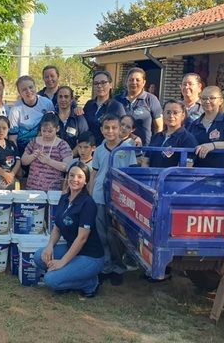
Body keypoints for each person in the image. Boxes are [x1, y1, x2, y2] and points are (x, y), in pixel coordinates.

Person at [33, 161, 105, 297]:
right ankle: (70, 274)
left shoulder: (88, 204)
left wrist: (62, 262)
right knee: (39, 257)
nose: (74, 180)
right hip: (72, 249)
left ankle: (90, 283)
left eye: (79, 177)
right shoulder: (64, 198)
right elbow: (57, 227)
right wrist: (50, 246)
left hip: (90, 257)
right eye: (71, 175)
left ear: (85, 181)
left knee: (51, 280)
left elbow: (82, 238)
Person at [89, 114, 137, 286]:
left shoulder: (127, 149)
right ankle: (106, 266)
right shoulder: (100, 150)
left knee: (116, 234)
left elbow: (132, 175)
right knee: (101, 233)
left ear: (120, 129)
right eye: (106, 128)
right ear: (101, 130)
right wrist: (91, 193)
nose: (110, 131)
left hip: (120, 199)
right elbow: (94, 173)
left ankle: (118, 267)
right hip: (100, 196)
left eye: (114, 128)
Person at [8, 75, 54, 187]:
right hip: (25, 153)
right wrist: (17, 163)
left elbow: (53, 127)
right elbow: (12, 140)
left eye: (30, 87)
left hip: (45, 151)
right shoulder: (15, 110)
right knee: (27, 184)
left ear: (35, 86)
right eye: (24, 90)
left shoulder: (47, 103)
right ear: (19, 92)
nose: (28, 91)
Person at [188, 85, 224, 168]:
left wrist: (212, 145)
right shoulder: (194, 124)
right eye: (204, 98)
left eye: (212, 98)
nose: (207, 101)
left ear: (220, 101)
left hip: (219, 174)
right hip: (195, 174)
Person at [21, 113, 72, 191]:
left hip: (53, 190)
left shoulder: (62, 144)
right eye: (44, 131)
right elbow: (23, 161)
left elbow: (67, 166)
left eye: (50, 131)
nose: (46, 134)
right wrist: (33, 156)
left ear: (57, 129)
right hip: (32, 188)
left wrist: (49, 161)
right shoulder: (35, 141)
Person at [142, 100, 198, 168]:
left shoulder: (188, 139)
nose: (171, 116)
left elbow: (186, 166)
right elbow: (146, 161)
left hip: (172, 178)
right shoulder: (156, 137)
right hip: (151, 177)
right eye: (168, 112)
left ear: (183, 115)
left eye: (175, 113)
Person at [114, 67, 163, 145]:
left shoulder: (151, 99)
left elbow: (159, 127)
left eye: (138, 80)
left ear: (144, 82)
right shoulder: (117, 99)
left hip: (144, 149)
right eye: (131, 79)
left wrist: (155, 146)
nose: (134, 82)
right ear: (126, 81)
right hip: (118, 147)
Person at [83, 71, 126, 145]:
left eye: (103, 82)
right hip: (88, 150)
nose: (99, 86)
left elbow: (124, 129)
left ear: (110, 85)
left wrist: (134, 137)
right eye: (96, 83)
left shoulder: (117, 107)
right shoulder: (89, 104)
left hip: (106, 149)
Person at [56, 86, 89, 150]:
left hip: (73, 158)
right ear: (57, 99)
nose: (63, 99)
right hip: (52, 158)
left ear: (71, 99)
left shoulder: (79, 118)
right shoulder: (51, 117)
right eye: (60, 97)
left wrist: (70, 157)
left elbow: (84, 141)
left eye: (66, 97)